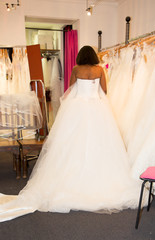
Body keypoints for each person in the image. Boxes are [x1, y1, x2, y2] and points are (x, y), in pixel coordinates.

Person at [0, 46, 147, 222]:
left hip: (78, 107)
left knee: (73, 144)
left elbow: (70, 88)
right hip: (97, 108)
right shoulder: (100, 69)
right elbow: (104, 91)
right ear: (93, 56)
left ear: (80, 56)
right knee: (101, 143)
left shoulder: (76, 69)